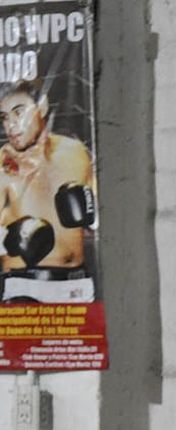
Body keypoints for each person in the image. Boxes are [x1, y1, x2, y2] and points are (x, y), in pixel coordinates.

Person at [0, 81, 97, 302]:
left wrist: (92, 215)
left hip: (78, 286)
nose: (11, 126)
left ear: (41, 107)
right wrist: (10, 239)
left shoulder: (75, 152)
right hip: (25, 285)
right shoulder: (2, 167)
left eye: (18, 113)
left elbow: (97, 220)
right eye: (4, 118)